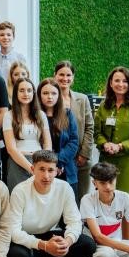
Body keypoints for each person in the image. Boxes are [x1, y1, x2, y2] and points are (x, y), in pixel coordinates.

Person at [5, 150, 97, 257]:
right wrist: (44, 246)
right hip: (25, 238)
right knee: (17, 255)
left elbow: (74, 221)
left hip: (50, 234)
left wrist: (67, 241)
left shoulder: (64, 188)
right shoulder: (20, 191)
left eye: (50, 170)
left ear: (57, 171)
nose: (46, 176)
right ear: (33, 169)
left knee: (87, 244)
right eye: (41, 169)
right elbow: (13, 231)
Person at [94, 66, 129, 201]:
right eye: (117, 80)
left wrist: (120, 146)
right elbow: (97, 133)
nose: (120, 84)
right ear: (111, 83)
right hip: (107, 161)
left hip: (128, 161)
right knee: (105, 200)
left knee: (126, 202)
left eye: (125, 81)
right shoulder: (103, 106)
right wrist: (105, 143)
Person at [55, 60, 95, 199]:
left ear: (73, 78)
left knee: (80, 197)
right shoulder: (49, 98)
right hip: (57, 157)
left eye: (68, 75)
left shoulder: (82, 99)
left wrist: (84, 154)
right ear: (55, 75)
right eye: (61, 74)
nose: (64, 78)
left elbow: (90, 127)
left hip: (79, 158)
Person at [3, 78, 53, 191]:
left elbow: (48, 144)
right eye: (22, 90)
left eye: (29, 90)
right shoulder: (9, 116)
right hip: (17, 163)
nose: (26, 94)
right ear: (16, 93)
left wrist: (43, 164)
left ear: (34, 93)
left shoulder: (41, 115)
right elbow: (11, 149)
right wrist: (31, 168)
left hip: (39, 161)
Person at [37, 78, 80, 199]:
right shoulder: (35, 117)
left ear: (58, 95)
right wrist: (49, 165)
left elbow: (73, 142)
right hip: (43, 171)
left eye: (53, 93)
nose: (49, 97)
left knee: (69, 211)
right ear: (39, 95)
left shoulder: (67, 114)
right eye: (45, 93)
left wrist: (58, 162)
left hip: (65, 169)